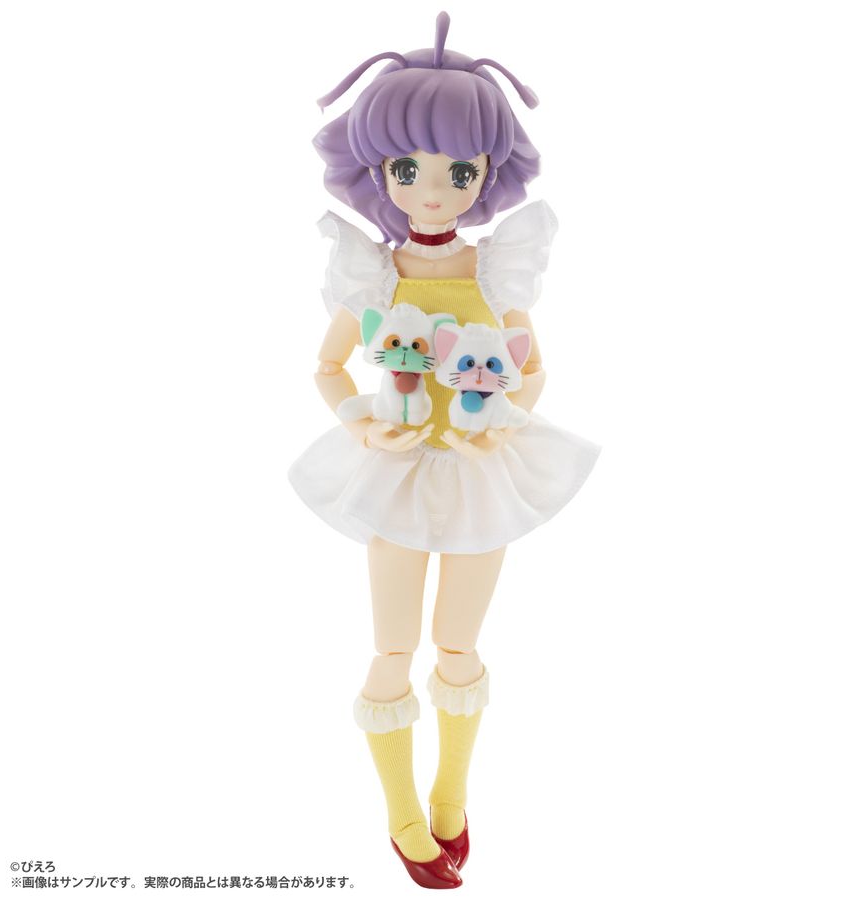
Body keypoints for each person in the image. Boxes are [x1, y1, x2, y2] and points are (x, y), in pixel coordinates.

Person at [288, 12, 599, 889]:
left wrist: (507, 418)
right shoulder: (374, 276)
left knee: (457, 647)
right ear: (377, 172)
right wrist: (360, 423)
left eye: (460, 172)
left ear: (488, 177)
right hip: (393, 473)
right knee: (392, 648)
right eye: (408, 169)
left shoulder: (497, 271)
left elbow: (532, 367)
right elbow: (326, 366)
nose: (432, 190)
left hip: (477, 472)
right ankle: (400, 814)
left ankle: (451, 793)